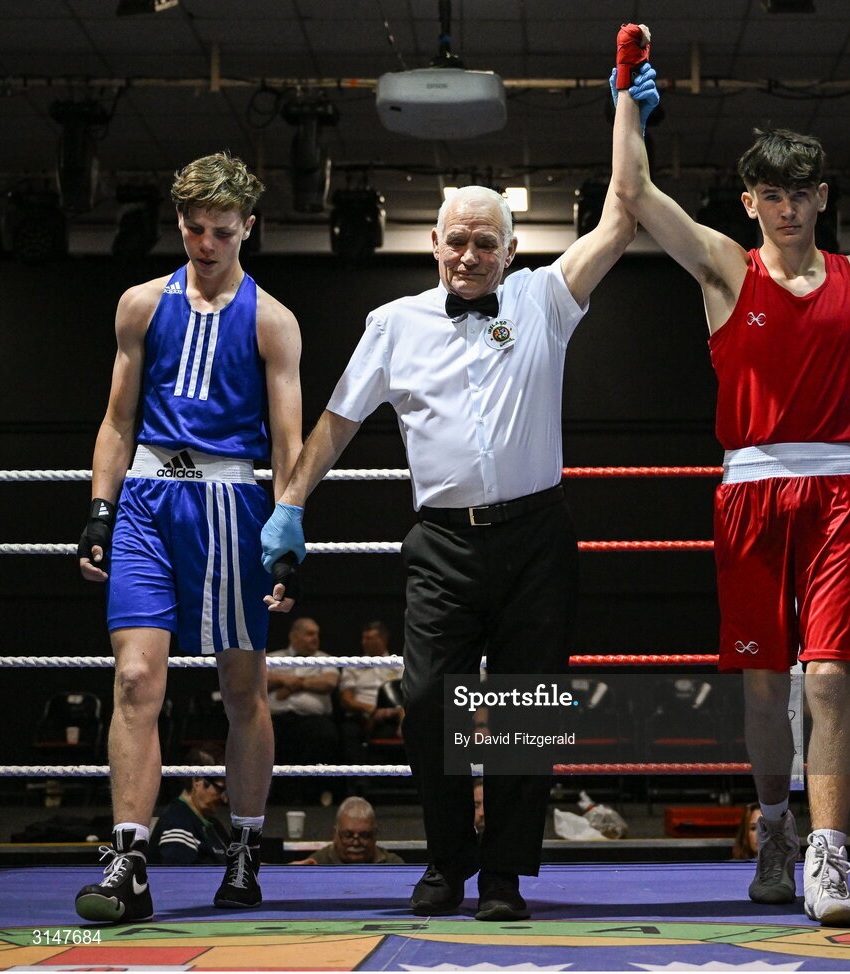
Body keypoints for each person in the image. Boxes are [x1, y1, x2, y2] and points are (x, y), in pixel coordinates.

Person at [611, 24, 850, 927]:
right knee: (765, 683)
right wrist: (625, 96)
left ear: (821, 197)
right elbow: (635, 192)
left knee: (831, 674)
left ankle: (831, 861)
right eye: (773, 195)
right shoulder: (725, 267)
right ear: (752, 199)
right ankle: (773, 824)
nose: (789, 210)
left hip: (841, 487)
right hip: (749, 490)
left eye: (801, 194)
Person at [260, 174, 635, 922]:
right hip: (441, 543)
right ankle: (448, 859)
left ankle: (504, 875)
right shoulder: (393, 322)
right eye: (456, 241)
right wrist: (289, 506)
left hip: (536, 536)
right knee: (429, 703)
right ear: (432, 243)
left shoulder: (542, 299)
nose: (469, 256)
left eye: (485, 242)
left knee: (525, 708)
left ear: (512, 248)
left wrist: (626, 104)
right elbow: (336, 421)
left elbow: (622, 220)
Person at [74, 151, 303, 923]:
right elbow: (116, 419)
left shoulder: (273, 321)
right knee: (137, 679)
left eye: (221, 232)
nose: (206, 244)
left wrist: (286, 531)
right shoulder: (141, 304)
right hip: (146, 500)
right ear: (182, 224)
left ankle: (243, 844)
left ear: (248, 228)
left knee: (241, 687)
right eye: (195, 229)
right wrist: (100, 510)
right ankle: (128, 862)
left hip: (233, 504)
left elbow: (287, 442)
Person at [268, 616, 341, 803]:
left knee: (325, 735)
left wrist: (291, 684)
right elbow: (258, 679)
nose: (315, 638)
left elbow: (329, 682)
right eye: (310, 634)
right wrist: (286, 680)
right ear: (294, 637)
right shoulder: (272, 658)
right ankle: (273, 796)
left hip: (312, 721)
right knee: (260, 737)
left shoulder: (325, 659)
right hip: (275, 720)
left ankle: (313, 795)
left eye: (317, 634)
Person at [149, 745, 230, 865]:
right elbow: (176, 878)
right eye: (220, 789)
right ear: (197, 780)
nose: (225, 800)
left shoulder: (214, 825)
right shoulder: (178, 823)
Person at [338, 620, 404, 763]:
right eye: (363, 638)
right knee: (349, 732)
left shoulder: (399, 665)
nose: (364, 642)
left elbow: (407, 697)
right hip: (360, 716)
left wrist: (396, 714)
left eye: (369, 638)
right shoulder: (353, 665)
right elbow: (346, 698)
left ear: (383, 639)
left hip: (391, 717)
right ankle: (359, 781)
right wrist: (371, 710)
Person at [289, 797, 404, 865]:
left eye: (364, 835)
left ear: (375, 834)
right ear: (335, 833)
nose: (356, 842)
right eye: (348, 835)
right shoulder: (318, 863)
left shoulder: (393, 864)